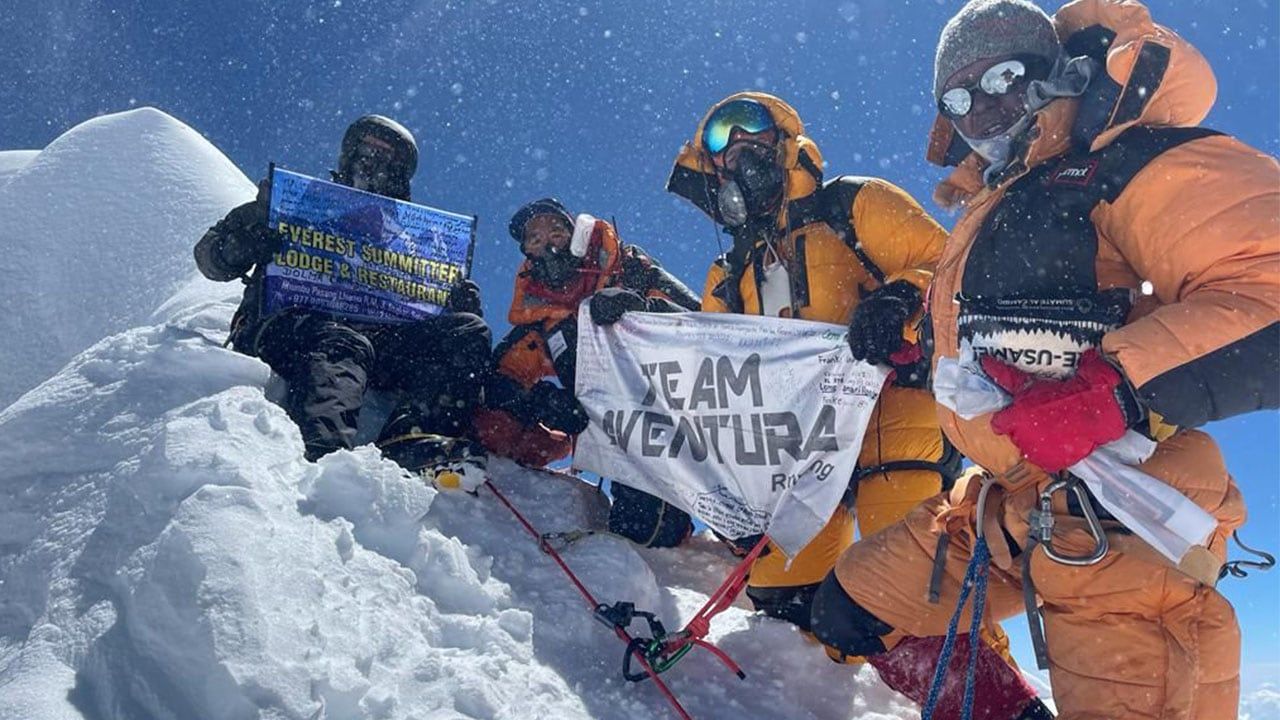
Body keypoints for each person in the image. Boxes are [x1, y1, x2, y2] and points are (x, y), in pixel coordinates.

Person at [811, 1, 1279, 718]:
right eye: (962, 99)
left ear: (1057, 70)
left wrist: (1118, 392)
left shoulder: (1127, 159)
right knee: (851, 607)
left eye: (1004, 75)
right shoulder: (998, 204)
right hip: (1004, 497)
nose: (987, 107)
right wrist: (918, 355)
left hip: (1124, 518)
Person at [666, 92, 957, 635]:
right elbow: (705, 374)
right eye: (720, 143)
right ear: (714, 170)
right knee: (785, 610)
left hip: (891, 421)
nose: (737, 148)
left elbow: (948, 264)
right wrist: (625, 323)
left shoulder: (851, 205)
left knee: (916, 589)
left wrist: (900, 298)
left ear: (781, 137)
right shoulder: (728, 273)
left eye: (748, 127)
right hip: (794, 458)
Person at [194, 114, 492, 483]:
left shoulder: (414, 238)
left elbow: (430, 307)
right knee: (342, 340)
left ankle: (413, 436)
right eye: (368, 150)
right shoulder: (295, 203)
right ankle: (323, 463)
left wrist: (456, 302)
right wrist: (247, 239)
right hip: (289, 325)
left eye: (388, 158)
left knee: (467, 331)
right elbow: (209, 258)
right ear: (350, 154)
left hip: (377, 337)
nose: (374, 162)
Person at [472, 198, 704, 547]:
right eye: (533, 238)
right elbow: (499, 384)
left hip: (685, 410)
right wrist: (544, 403)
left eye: (555, 229)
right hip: (618, 434)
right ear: (527, 254)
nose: (547, 241)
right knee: (649, 531)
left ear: (576, 231)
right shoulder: (542, 317)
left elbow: (705, 325)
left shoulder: (631, 269)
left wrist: (643, 310)